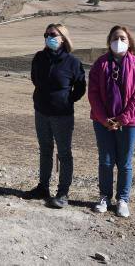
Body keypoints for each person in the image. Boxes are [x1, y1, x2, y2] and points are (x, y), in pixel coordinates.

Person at [87, 25, 135, 218]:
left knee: (124, 163)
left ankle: (123, 200)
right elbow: (94, 93)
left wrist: (122, 119)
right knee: (105, 162)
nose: (119, 42)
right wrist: (103, 118)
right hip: (102, 122)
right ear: (109, 41)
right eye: (115, 38)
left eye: (122, 38)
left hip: (129, 123)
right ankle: (104, 197)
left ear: (129, 42)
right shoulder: (100, 64)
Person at [24, 23, 86, 208]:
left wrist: (66, 100)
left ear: (63, 38)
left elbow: (80, 87)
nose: (49, 37)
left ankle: (63, 193)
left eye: (53, 34)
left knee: (64, 153)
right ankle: (43, 187)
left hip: (62, 115)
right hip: (41, 112)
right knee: (45, 150)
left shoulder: (73, 62)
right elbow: (35, 79)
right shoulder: (39, 58)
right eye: (46, 34)